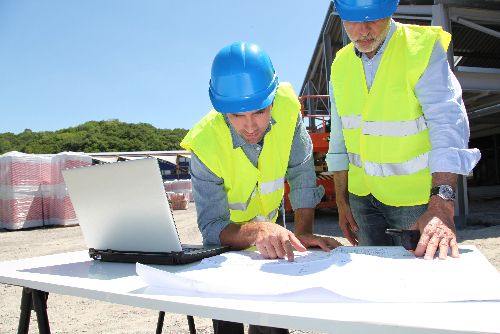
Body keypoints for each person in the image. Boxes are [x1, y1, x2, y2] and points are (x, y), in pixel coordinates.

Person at [181, 41, 342, 334]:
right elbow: (212, 225)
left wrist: (303, 230)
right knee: (228, 322)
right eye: (237, 116)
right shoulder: (204, 145)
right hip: (225, 245)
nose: (250, 126)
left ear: (271, 99)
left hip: (274, 235)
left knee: (272, 322)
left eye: (258, 111)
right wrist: (256, 230)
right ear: (221, 110)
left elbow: (302, 173)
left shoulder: (289, 109)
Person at [326, 0, 481, 260]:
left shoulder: (420, 48)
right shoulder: (340, 65)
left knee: (419, 280)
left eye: (372, 20)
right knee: (372, 275)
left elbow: (447, 122)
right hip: (362, 200)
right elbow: (339, 140)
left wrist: (441, 203)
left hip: (415, 201)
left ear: (389, 12)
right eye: (353, 21)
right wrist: (342, 202)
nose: (362, 31)